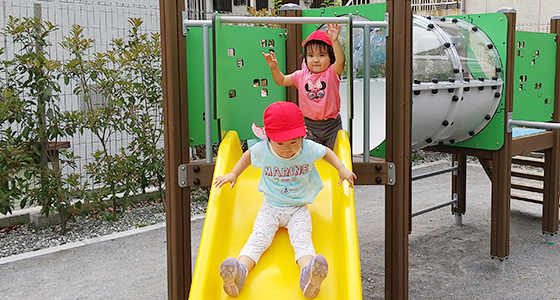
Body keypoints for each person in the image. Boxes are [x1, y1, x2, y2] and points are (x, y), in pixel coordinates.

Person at [214, 101, 356, 298]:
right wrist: (234, 174)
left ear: (302, 136)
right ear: (268, 138)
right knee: (258, 239)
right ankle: (240, 272)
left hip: (298, 209)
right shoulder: (263, 149)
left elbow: (326, 153)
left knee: (302, 240)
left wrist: (341, 168)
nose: (287, 149)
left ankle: (309, 275)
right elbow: (248, 155)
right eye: (280, 143)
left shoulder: (307, 148)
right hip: (271, 207)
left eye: (293, 142)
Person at [263, 24, 345, 150]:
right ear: (305, 58)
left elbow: (340, 61)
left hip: (331, 125)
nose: (316, 60)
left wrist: (334, 41)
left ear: (330, 57)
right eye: (311, 55)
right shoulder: (300, 76)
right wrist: (274, 68)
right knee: (309, 155)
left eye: (321, 55)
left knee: (334, 156)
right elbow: (281, 80)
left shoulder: (332, 73)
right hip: (309, 125)